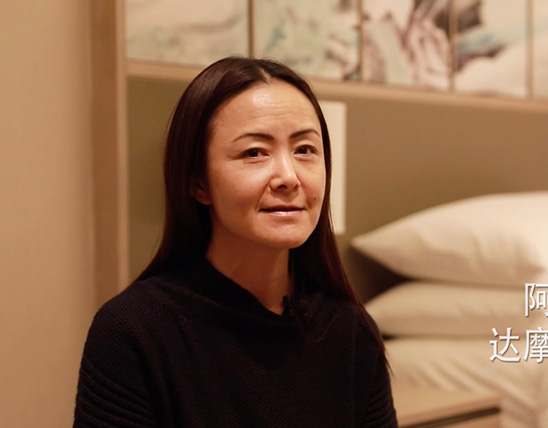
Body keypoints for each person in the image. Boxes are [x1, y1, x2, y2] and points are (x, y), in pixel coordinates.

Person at [74, 57, 397, 427]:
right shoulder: (133, 332)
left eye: (305, 150)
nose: (289, 177)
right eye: (254, 152)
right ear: (198, 182)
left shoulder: (350, 331)